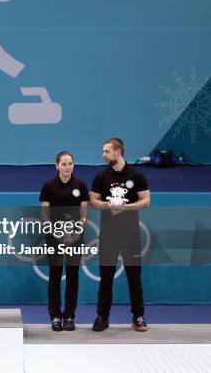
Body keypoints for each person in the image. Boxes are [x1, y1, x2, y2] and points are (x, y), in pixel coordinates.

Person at [89, 138, 150, 332]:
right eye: (103, 151)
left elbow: (146, 200)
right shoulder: (100, 176)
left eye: (107, 151)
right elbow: (93, 201)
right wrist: (108, 205)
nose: (103, 155)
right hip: (108, 234)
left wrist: (125, 207)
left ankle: (138, 316)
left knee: (134, 277)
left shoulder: (137, 175)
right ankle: (102, 316)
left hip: (130, 233)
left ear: (118, 151)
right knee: (106, 277)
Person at [39, 151, 89, 331]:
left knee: (73, 276)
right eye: (64, 164)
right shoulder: (48, 186)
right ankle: (54, 316)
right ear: (57, 166)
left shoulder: (81, 186)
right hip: (54, 238)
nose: (68, 167)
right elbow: (45, 214)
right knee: (55, 275)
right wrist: (56, 233)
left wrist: (78, 231)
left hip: (76, 237)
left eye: (70, 164)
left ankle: (69, 315)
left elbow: (84, 213)